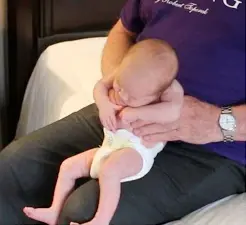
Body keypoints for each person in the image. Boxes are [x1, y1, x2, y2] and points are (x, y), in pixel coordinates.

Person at [0, 0, 245, 224]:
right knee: (11, 169)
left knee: (83, 211)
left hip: (215, 146)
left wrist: (217, 122)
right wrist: (120, 85)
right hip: (123, 117)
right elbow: (123, 31)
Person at [22, 39, 183, 225]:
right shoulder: (125, 72)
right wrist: (104, 104)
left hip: (136, 152)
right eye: (120, 86)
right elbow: (100, 87)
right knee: (68, 166)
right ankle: (54, 211)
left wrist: (138, 112)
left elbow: (173, 112)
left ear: (156, 94)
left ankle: (101, 220)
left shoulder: (170, 89)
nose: (122, 96)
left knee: (110, 170)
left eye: (132, 96)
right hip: (109, 146)